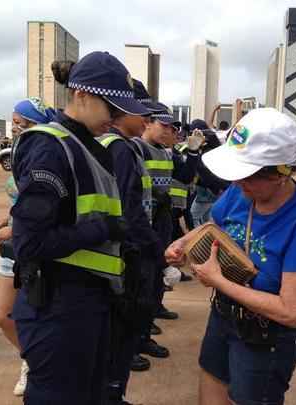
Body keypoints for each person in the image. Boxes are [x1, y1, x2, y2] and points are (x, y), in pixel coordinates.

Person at [165, 108, 296, 405]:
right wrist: (183, 242)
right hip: (223, 316)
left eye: (247, 177)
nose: (238, 185)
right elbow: (214, 226)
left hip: (264, 337)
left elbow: (291, 311)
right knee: (211, 387)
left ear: (280, 173)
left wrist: (218, 280)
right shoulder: (240, 192)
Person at [11, 51, 145, 405]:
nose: (116, 119)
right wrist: (103, 228)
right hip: (57, 305)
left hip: (89, 301)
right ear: (81, 96)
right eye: (111, 110)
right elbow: (29, 244)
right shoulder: (50, 148)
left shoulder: (89, 147)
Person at [98, 78, 164, 403]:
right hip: (129, 252)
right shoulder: (120, 149)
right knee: (120, 334)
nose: (145, 120)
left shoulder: (117, 146)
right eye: (141, 114)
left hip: (126, 248)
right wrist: (153, 249)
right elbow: (128, 209)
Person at [0, 97, 54, 397]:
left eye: (23, 123)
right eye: (15, 121)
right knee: (3, 317)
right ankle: (31, 358)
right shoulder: (20, 152)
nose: (16, 127)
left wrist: (13, 229)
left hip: (30, 249)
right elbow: (24, 201)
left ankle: (35, 364)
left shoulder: (45, 155)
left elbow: (45, 210)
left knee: (36, 316)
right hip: (11, 247)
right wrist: (8, 217)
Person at [132, 104, 201, 348]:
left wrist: (193, 153)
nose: (169, 131)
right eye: (164, 126)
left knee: (156, 272)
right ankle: (139, 335)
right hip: (144, 219)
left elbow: (183, 176)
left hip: (162, 216)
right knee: (143, 278)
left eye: (172, 128)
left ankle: (151, 315)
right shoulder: (137, 148)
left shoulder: (166, 152)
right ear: (147, 123)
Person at [189, 120, 230, 227]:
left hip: (208, 191)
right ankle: (209, 238)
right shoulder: (213, 149)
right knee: (207, 218)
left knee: (194, 215)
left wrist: (218, 189)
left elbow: (207, 175)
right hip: (212, 190)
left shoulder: (207, 153)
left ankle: (201, 238)